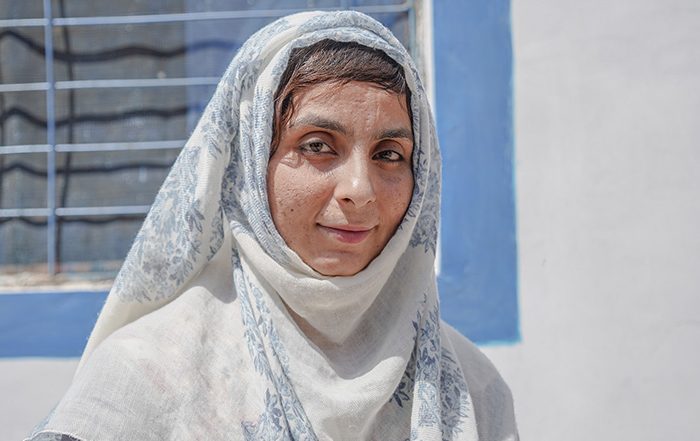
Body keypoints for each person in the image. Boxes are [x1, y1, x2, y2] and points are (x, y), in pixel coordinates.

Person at [27, 11, 518, 441]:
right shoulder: (144, 378)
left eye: (390, 155)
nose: (360, 189)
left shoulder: (472, 391)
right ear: (249, 165)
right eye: (318, 145)